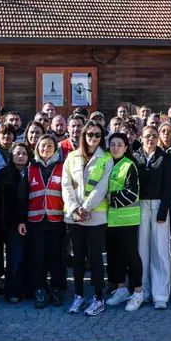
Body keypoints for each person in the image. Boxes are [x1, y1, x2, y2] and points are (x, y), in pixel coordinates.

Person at [62, 123, 112, 316]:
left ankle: (99, 298)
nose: (93, 137)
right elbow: (66, 185)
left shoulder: (106, 158)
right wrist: (75, 208)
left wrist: (86, 207)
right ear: (84, 135)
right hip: (75, 217)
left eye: (98, 135)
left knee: (96, 259)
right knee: (78, 259)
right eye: (90, 134)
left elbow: (102, 187)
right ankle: (79, 295)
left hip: (96, 216)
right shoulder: (71, 157)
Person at [135, 125, 171, 310]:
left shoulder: (165, 159)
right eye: (147, 136)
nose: (150, 139)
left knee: (160, 251)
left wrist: (163, 209)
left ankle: (161, 294)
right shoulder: (135, 157)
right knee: (142, 251)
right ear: (141, 137)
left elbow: (168, 187)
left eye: (154, 136)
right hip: (140, 206)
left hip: (159, 205)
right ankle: (144, 291)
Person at [25, 135, 67, 309]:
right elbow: (23, 197)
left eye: (50, 146)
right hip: (35, 221)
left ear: (55, 149)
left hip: (57, 220)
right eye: (43, 146)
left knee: (56, 258)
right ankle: (40, 290)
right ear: (37, 148)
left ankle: (56, 289)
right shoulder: (30, 168)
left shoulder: (63, 167)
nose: (46, 149)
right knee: (38, 258)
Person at [103, 133, 143, 310]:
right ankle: (120, 289)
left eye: (120, 144)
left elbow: (132, 193)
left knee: (131, 256)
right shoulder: (107, 164)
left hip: (127, 220)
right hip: (110, 220)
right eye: (113, 144)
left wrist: (110, 197)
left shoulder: (129, 165)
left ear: (126, 147)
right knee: (114, 257)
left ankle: (138, 291)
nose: (116, 148)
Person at [0, 142, 30, 303]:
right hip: (12, 223)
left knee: (30, 257)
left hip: (32, 221)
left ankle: (28, 289)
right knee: (14, 258)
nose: (21, 156)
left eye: (24, 153)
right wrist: (18, 221)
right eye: (17, 153)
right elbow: (5, 202)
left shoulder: (33, 172)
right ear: (11, 156)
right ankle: (13, 291)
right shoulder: (5, 174)